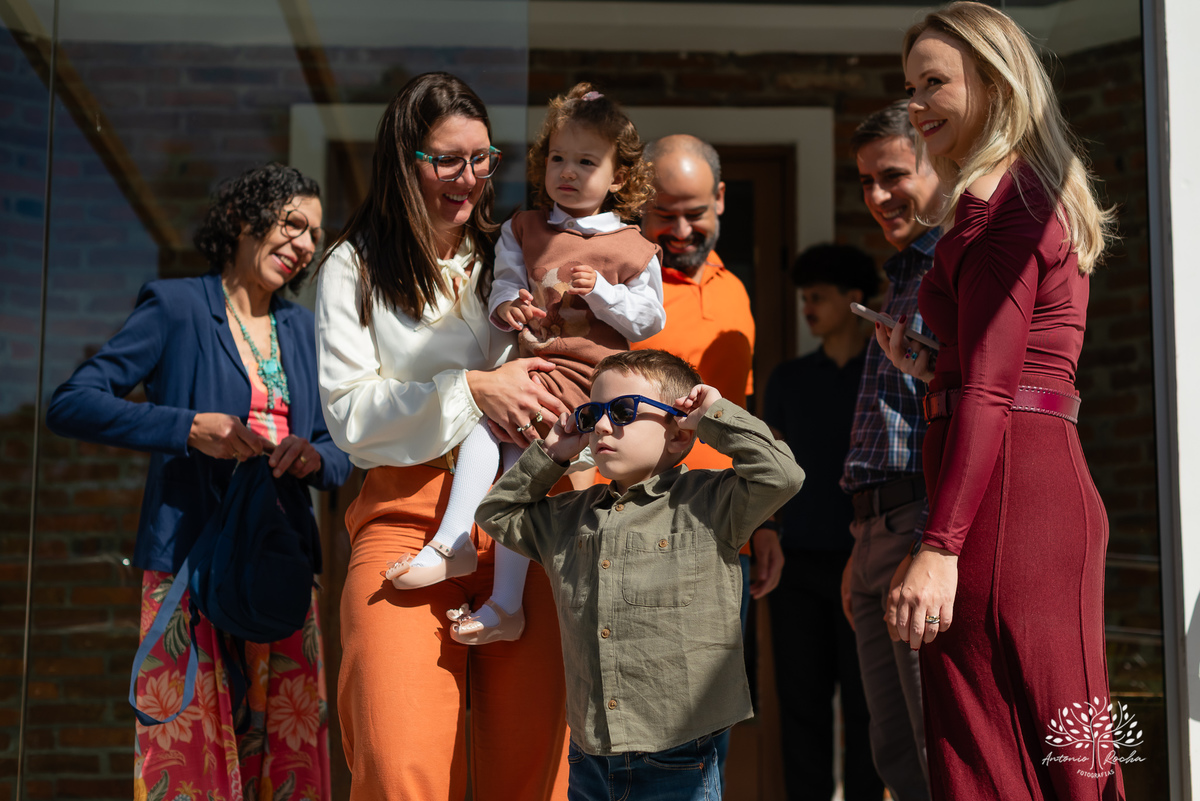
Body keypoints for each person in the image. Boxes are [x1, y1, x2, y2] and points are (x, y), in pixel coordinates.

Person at [45, 162, 352, 800]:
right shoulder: (176, 307)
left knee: (286, 764)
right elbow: (72, 401)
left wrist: (314, 458)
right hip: (189, 565)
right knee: (185, 758)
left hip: (279, 568)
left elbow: (343, 448)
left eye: (313, 235)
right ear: (244, 220)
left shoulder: (304, 330)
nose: (303, 245)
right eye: (292, 224)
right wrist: (189, 427)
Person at [879, 4, 1123, 799]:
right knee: (1056, 737)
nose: (916, 106)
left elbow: (991, 385)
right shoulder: (1020, 194)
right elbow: (998, 368)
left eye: (935, 83)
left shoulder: (1003, 207)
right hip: (1025, 471)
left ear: (992, 81)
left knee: (1004, 742)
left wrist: (940, 544)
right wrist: (932, 366)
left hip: (1011, 492)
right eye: (910, 86)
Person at [315, 72, 572, 800]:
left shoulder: (513, 251)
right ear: (405, 160)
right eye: (448, 161)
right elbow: (348, 414)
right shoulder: (353, 266)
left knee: (533, 777)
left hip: (525, 524)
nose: (471, 180)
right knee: (400, 770)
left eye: (483, 159)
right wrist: (471, 387)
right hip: (404, 523)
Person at [388, 82, 663, 646]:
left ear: (619, 177)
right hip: (536, 365)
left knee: (513, 454)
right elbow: (505, 283)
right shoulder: (525, 228)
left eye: (587, 161)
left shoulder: (634, 246)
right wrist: (508, 306)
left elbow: (650, 322)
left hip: (592, 380)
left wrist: (604, 294)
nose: (568, 171)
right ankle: (472, 562)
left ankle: (473, 563)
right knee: (493, 439)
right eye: (558, 158)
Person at [474, 349, 805, 801]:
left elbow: (783, 475)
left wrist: (713, 416)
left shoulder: (711, 502)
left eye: (624, 411)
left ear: (676, 434)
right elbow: (496, 513)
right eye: (592, 415)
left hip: (677, 755)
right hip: (590, 755)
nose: (603, 427)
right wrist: (551, 454)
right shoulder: (567, 518)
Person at [635, 134, 783, 783]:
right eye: (664, 212)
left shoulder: (735, 294)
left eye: (695, 210)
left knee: (705, 734)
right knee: (637, 735)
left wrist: (765, 520)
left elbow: (739, 416)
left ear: (721, 199)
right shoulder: (622, 289)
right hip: (638, 540)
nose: (681, 228)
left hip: (722, 542)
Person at [838, 100, 942, 801]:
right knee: (896, 759)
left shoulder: (956, 265)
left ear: (936, 163)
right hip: (872, 532)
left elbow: (974, 412)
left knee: (942, 754)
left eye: (894, 175)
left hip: (920, 525)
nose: (878, 197)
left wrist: (933, 539)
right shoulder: (903, 271)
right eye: (867, 181)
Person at [764, 244, 883, 801]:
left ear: (853, 300)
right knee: (801, 706)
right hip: (799, 564)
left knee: (868, 707)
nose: (807, 306)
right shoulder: (788, 380)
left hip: (867, 561)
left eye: (818, 296)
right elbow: (771, 471)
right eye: (803, 296)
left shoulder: (886, 374)